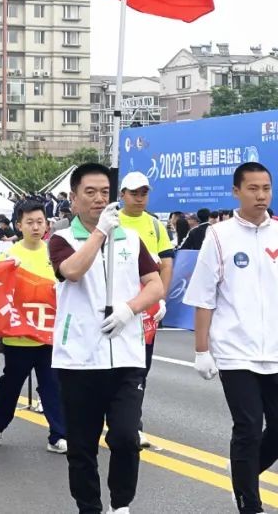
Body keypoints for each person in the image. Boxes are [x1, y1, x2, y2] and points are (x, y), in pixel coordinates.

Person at [184, 162, 278, 514]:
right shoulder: (219, 236)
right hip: (235, 350)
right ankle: (249, 504)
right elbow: (204, 297)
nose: (261, 195)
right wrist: (201, 350)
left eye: (266, 188)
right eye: (253, 188)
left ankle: (243, 472)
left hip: (277, 349)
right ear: (236, 191)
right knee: (248, 427)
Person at [47, 163, 164, 514]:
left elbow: (155, 284)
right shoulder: (62, 239)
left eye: (104, 193)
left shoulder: (130, 238)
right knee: (82, 446)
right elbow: (72, 271)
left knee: (126, 436)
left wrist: (130, 309)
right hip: (79, 357)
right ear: (74, 198)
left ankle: (121, 505)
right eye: (90, 192)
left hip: (126, 355)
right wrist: (99, 233)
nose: (99, 199)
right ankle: (89, 507)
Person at [0, 200, 67, 454]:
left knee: (52, 385)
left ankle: (58, 435)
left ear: (47, 224)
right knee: (11, 385)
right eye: (29, 222)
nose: (35, 227)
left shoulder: (54, 251)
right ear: (19, 225)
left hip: (48, 335)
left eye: (40, 222)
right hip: (18, 336)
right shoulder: (9, 256)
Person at [116, 172, 173, 449]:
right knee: (112, 366)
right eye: (134, 193)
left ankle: (132, 424)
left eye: (144, 193)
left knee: (140, 367)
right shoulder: (112, 222)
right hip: (117, 305)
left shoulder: (155, 226)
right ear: (122, 195)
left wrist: (161, 297)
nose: (139, 198)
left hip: (146, 308)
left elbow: (166, 263)